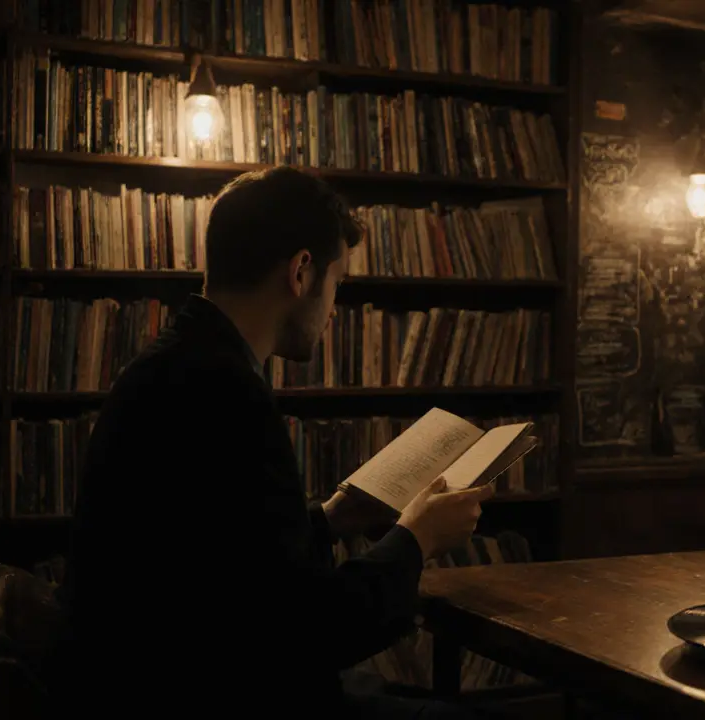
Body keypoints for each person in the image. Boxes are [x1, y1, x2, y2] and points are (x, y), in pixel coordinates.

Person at [50, 167, 494, 716]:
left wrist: (328, 520)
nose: (334, 310)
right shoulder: (225, 390)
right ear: (301, 272)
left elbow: (225, 561)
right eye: (337, 286)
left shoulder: (182, 360)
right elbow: (310, 629)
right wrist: (417, 538)